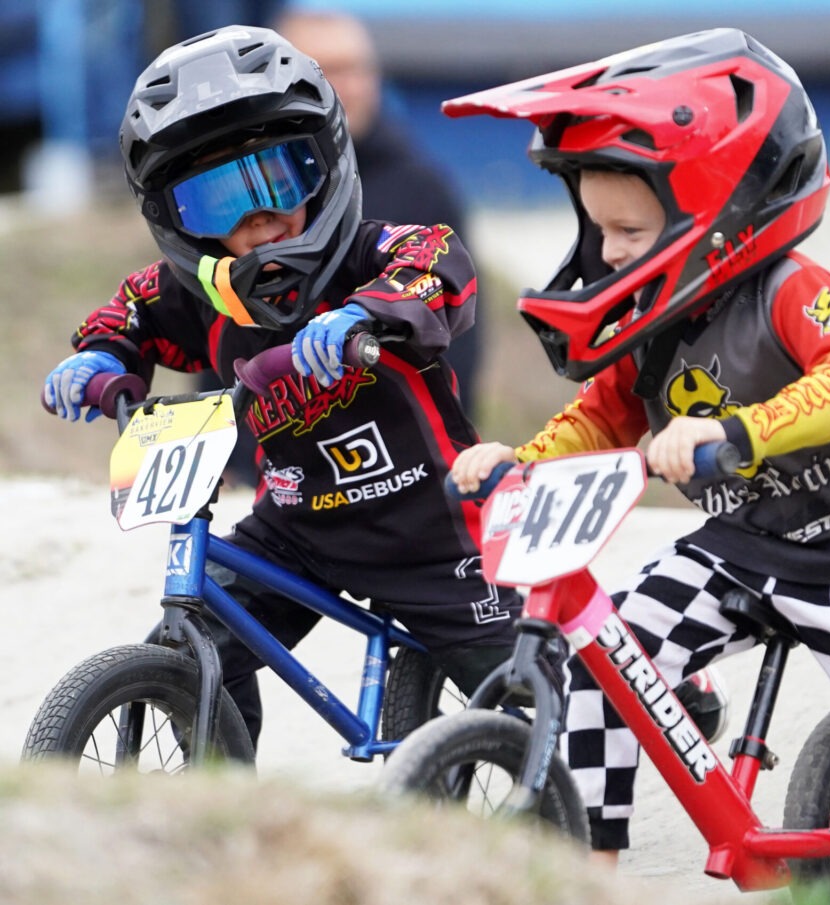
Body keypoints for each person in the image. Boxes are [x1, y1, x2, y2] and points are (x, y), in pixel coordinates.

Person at [448, 28, 830, 863]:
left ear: (719, 218)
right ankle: (587, 865)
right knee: (602, 664)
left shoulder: (795, 289)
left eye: (630, 232)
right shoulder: (652, 325)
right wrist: (520, 460)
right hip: (739, 550)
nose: (606, 251)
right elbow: (603, 417)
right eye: (597, 226)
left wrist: (735, 433)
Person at [41, 25, 517, 750]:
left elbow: (437, 262)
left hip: (428, 525)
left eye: (277, 180)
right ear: (180, 221)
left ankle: (657, 692)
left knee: (523, 686)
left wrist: (369, 311)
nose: (256, 218)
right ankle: (225, 802)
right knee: (198, 646)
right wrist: (100, 357)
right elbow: (133, 307)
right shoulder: (204, 292)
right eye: (217, 200)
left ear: (323, 168)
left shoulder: (374, 251)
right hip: (294, 529)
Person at [197, 8, 481, 486]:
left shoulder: (421, 185)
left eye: (355, 69)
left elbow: (461, 331)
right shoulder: (234, 193)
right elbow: (218, 323)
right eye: (324, 71)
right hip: (264, 462)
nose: (344, 86)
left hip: (393, 458)